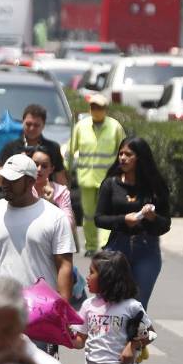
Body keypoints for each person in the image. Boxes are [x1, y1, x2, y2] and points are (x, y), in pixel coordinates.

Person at [0, 155, 74, 341]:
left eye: (12, 180)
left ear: (30, 181)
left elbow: (64, 266)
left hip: (40, 316)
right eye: (3, 178)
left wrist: (63, 312)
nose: (5, 184)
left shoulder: (55, 217)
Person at [94, 137, 171, 308]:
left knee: (136, 307)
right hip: (116, 248)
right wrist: (123, 220)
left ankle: (134, 335)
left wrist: (153, 218)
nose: (122, 158)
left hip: (147, 250)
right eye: (120, 153)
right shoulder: (110, 184)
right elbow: (99, 218)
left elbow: (165, 224)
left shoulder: (155, 187)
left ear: (140, 158)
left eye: (128, 154)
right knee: (108, 303)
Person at [66, 93, 125, 256]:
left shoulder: (115, 127)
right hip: (87, 179)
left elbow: (124, 151)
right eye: (93, 107)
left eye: (99, 107)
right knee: (89, 215)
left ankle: (107, 246)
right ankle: (91, 246)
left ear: (105, 109)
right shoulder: (81, 127)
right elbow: (70, 150)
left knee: (107, 214)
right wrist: (65, 170)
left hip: (108, 180)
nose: (96, 110)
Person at [0, 105, 66, 186]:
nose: (32, 128)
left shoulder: (53, 148)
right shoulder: (10, 148)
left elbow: (60, 178)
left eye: (36, 125)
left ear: (43, 125)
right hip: (18, 196)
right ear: (22, 122)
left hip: (44, 195)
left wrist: (63, 196)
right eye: (28, 124)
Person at [28, 146, 74, 229]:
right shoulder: (23, 190)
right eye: (35, 164)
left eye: (44, 166)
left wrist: (51, 203)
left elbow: (69, 224)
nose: (39, 169)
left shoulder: (61, 192)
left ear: (51, 169)